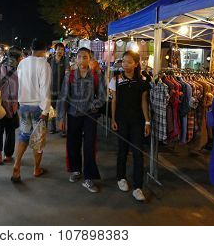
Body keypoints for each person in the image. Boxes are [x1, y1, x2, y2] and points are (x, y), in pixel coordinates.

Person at [57, 47, 105, 193]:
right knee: (73, 143)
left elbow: (102, 97)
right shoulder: (69, 76)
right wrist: (61, 117)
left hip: (90, 116)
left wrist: (93, 105)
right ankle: (76, 169)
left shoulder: (97, 75)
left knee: (90, 145)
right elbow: (63, 96)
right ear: (76, 59)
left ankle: (89, 177)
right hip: (73, 115)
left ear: (90, 59)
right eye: (80, 57)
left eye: (85, 57)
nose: (82, 60)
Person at [110, 50, 151, 202]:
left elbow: (144, 102)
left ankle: (138, 187)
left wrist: (147, 121)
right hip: (121, 120)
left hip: (137, 121)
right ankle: (121, 178)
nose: (125, 64)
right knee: (122, 150)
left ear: (136, 64)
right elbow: (114, 101)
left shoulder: (142, 81)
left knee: (138, 152)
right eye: (123, 61)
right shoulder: (115, 79)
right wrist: (113, 119)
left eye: (129, 62)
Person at [11, 39, 51, 182]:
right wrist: (45, 111)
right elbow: (45, 89)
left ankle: (17, 164)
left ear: (31, 48)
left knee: (23, 136)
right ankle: (36, 169)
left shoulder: (22, 63)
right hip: (37, 107)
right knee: (38, 139)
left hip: (24, 105)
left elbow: (18, 84)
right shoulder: (44, 64)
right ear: (44, 50)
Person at [0, 46, 22, 165]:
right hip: (12, 106)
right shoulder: (19, 71)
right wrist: (15, 103)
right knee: (10, 131)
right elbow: (20, 89)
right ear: (17, 58)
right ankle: (8, 155)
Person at [47, 43, 69, 134]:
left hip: (62, 89)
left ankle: (62, 129)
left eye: (62, 50)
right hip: (51, 88)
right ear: (55, 50)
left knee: (62, 109)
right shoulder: (49, 60)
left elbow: (67, 73)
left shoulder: (65, 60)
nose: (60, 51)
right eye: (59, 49)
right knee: (52, 109)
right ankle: (53, 127)